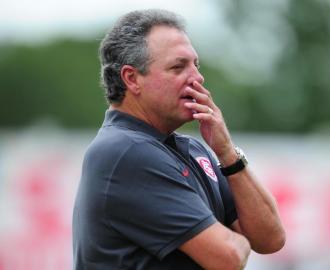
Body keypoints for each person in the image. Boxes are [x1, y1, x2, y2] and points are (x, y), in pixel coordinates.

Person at [72, 9, 285, 270]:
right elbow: (229, 257)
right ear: (132, 79)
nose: (197, 78)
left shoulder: (192, 148)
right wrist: (239, 239)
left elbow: (270, 239)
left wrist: (228, 153)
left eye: (196, 65)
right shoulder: (125, 151)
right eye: (178, 67)